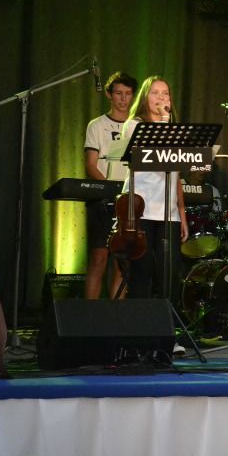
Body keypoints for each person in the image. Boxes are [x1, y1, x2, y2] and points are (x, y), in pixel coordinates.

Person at [120, 75, 190, 305]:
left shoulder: (173, 130)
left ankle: (167, 323)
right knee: (141, 272)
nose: (161, 97)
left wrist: (181, 212)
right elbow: (156, 155)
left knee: (169, 273)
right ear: (145, 97)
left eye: (165, 93)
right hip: (142, 209)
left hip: (168, 212)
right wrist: (164, 121)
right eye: (155, 93)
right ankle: (139, 322)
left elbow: (175, 174)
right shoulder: (134, 125)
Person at [83, 71, 137, 299]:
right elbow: (91, 165)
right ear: (109, 95)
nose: (123, 99)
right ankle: (90, 313)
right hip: (103, 200)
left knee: (122, 262)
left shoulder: (138, 125)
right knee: (99, 257)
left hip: (130, 201)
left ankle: (117, 314)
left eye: (128, 94)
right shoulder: (96, 125)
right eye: (118, 93)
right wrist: (109, 190)